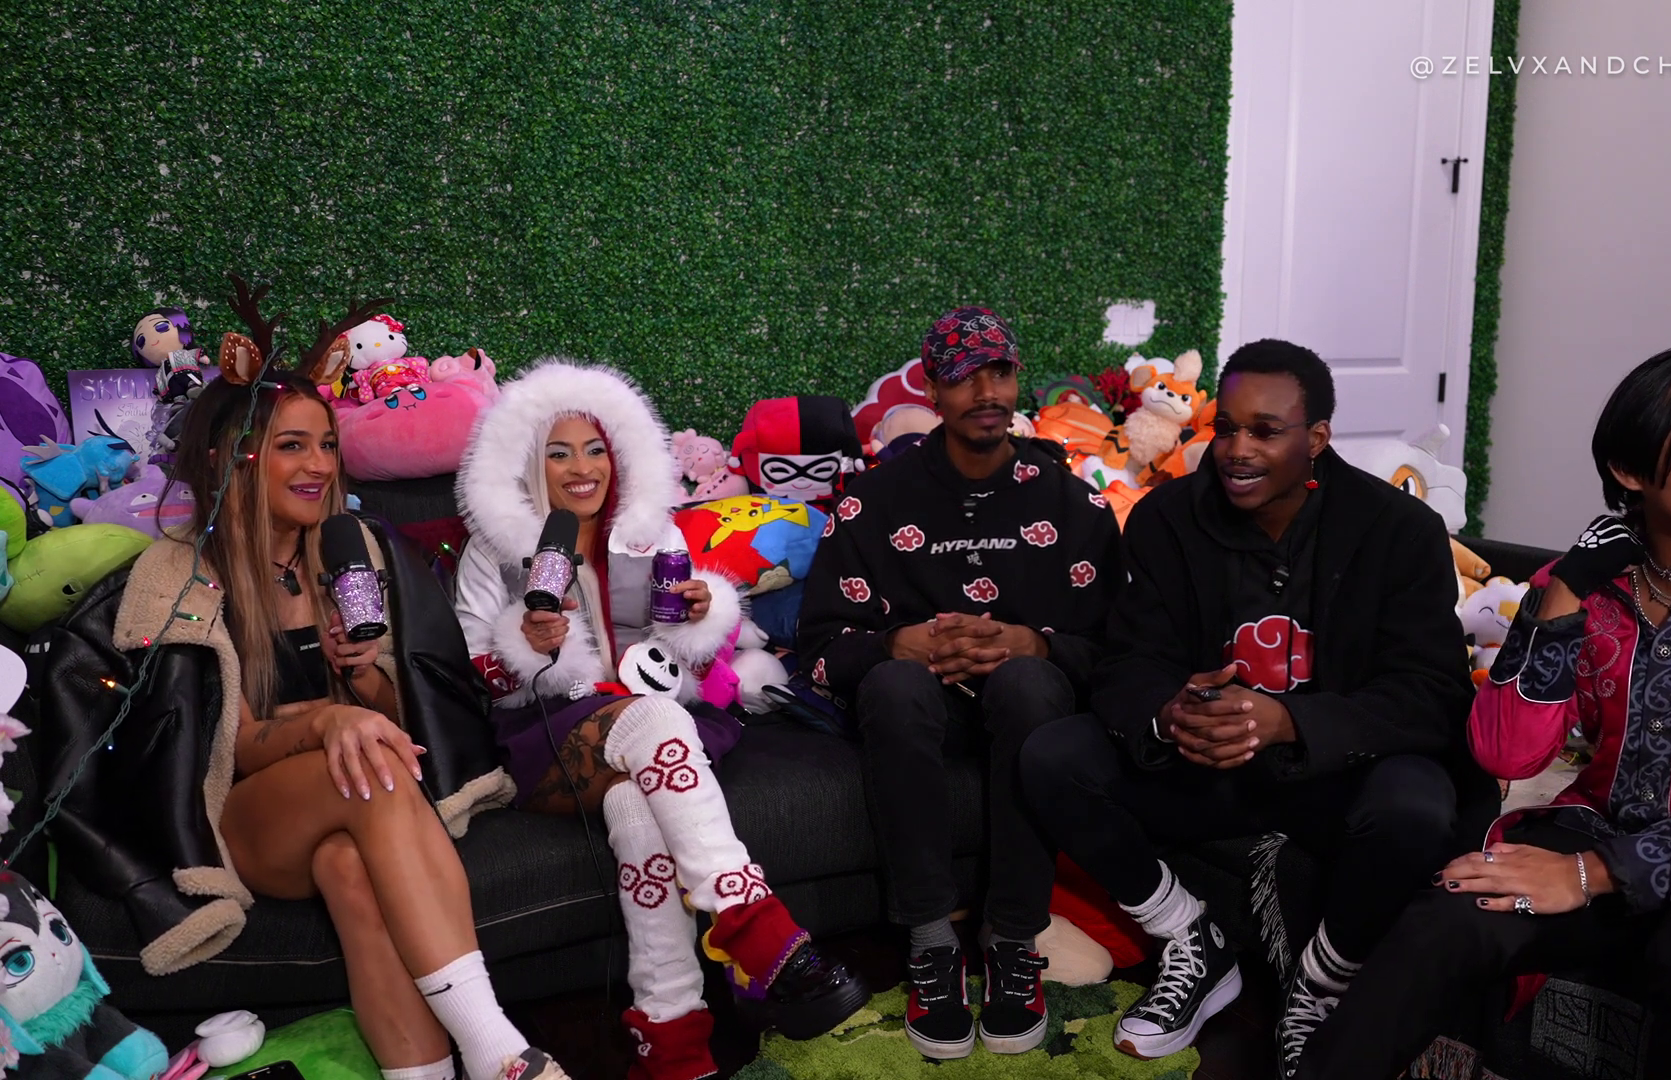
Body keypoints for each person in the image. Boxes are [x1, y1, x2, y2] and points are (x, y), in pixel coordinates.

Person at [1296, 346, 1671, 1080]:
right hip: (1609, 822)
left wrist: (1592, 874)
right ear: (1630, 469)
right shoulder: (1582, 585)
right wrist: (1560, 596)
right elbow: (1506, 754)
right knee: (1455, 909)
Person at [34, 333, 565, 1080]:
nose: (319, 465)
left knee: (351, 869)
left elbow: (416, 719)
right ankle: (500, 1051)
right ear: (230, 457)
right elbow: (221, 746)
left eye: (327, 445)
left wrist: (363, 680)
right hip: (243, 819)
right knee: (375, 770)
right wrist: (324, 719)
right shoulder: (178, 575)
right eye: (292, 446)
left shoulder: (357, 552)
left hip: (353, 799)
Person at [1019, 338, 1496, 1068]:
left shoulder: (1400, 530)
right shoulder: (1166, 518)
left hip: (1338, 773)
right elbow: (1127, 661)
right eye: (1227, 428)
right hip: (1206, 768)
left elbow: (1431, 692)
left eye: (1265, 432)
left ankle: (1322, 983)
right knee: (1053, 757)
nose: (1238, 450)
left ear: (1317, 438)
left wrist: (1290, 722)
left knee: (1418, 803)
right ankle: (1191, 940)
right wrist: (1169, 713)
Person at [453, 358, 868, 1080]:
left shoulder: (654, 534)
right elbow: (468, 668)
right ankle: (751, 920)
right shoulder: (493, 549)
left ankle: (672, 1042)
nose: (582, 468)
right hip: (547, 734)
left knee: (638, 814)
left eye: (595, 449)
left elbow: (680, 652)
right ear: (526, 461)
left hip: (648, 724)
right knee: (655, 723)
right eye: (559, 453)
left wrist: (700, 616)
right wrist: (524, 642)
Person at [796, 306, 1122, 1059]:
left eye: (1000, 372)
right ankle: (932, 944)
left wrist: (1034, 643)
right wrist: (896, 643)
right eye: (964, 376)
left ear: (1017, 380)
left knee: (1028, 683)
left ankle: (1013, 940)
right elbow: (817, 650)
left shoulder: (1071, 500)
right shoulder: (874, 501)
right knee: (895, 685)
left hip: (1028, 710)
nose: (986, 391)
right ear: (933, 389)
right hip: (915, 714)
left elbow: (1122, 650)